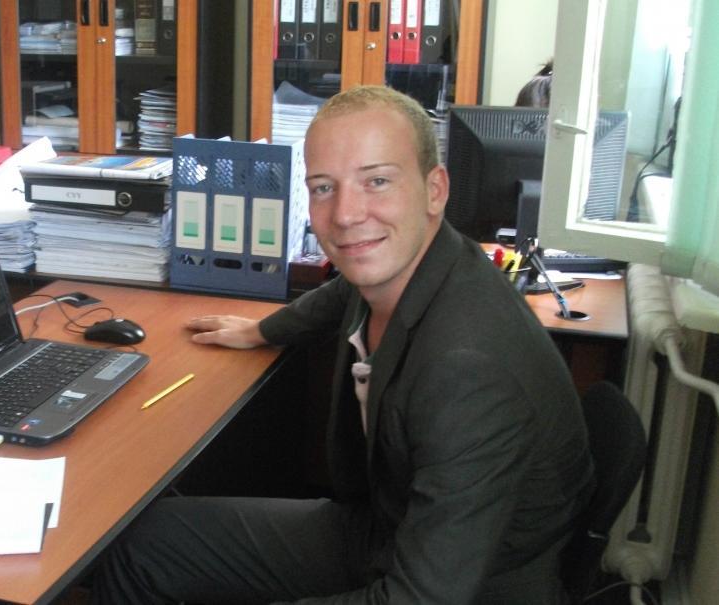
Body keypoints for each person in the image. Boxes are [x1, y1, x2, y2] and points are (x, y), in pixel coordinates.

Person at [90, 85, 594, 603]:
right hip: (389, 527)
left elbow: (419, 598)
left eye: (376, 181)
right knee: (146, 544)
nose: (347, 214)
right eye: (324, 187)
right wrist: (263, 330)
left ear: (435, 189)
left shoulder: (468, 366)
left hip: (468, 583)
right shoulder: (417, 262)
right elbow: (341, 292)